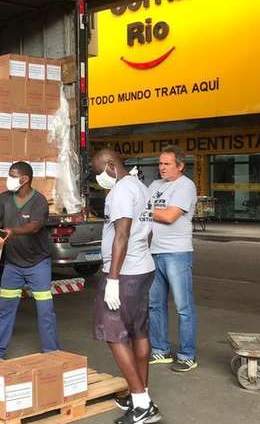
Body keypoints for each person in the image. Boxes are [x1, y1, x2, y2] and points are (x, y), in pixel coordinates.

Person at [91, 149, 162, 424]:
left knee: (114, 334)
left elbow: (122, 233)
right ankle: (139, 393)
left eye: (99, 172)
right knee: (138, 332)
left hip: (125, 275)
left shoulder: (121, 190)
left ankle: (143, 405)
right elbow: (150, 230)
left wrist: (113, 279)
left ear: (111, 166)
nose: (99, 179)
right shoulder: (140, 187)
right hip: (143, 268)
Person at [0, 162, 59, 358]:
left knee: (45, 311)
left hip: (38, 264)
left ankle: (52, 353)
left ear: (24, 179)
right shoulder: (4, 198)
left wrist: (14, 231)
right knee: (5, 310)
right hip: (13, 265)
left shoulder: (39, 201)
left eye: (12, 175)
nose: (8, 179)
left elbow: (35, 226)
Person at [146, 145, 198, 372]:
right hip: (153, 252)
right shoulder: (155, 185)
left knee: (183, 307)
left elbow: (169, 216)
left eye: (167, 164)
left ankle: (187, 355)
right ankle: (160, 351)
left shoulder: (185, 186)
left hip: (176, 253)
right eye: (160, 163)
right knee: (154, 305)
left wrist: (144, 211)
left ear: (180, 165)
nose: (162, 168)